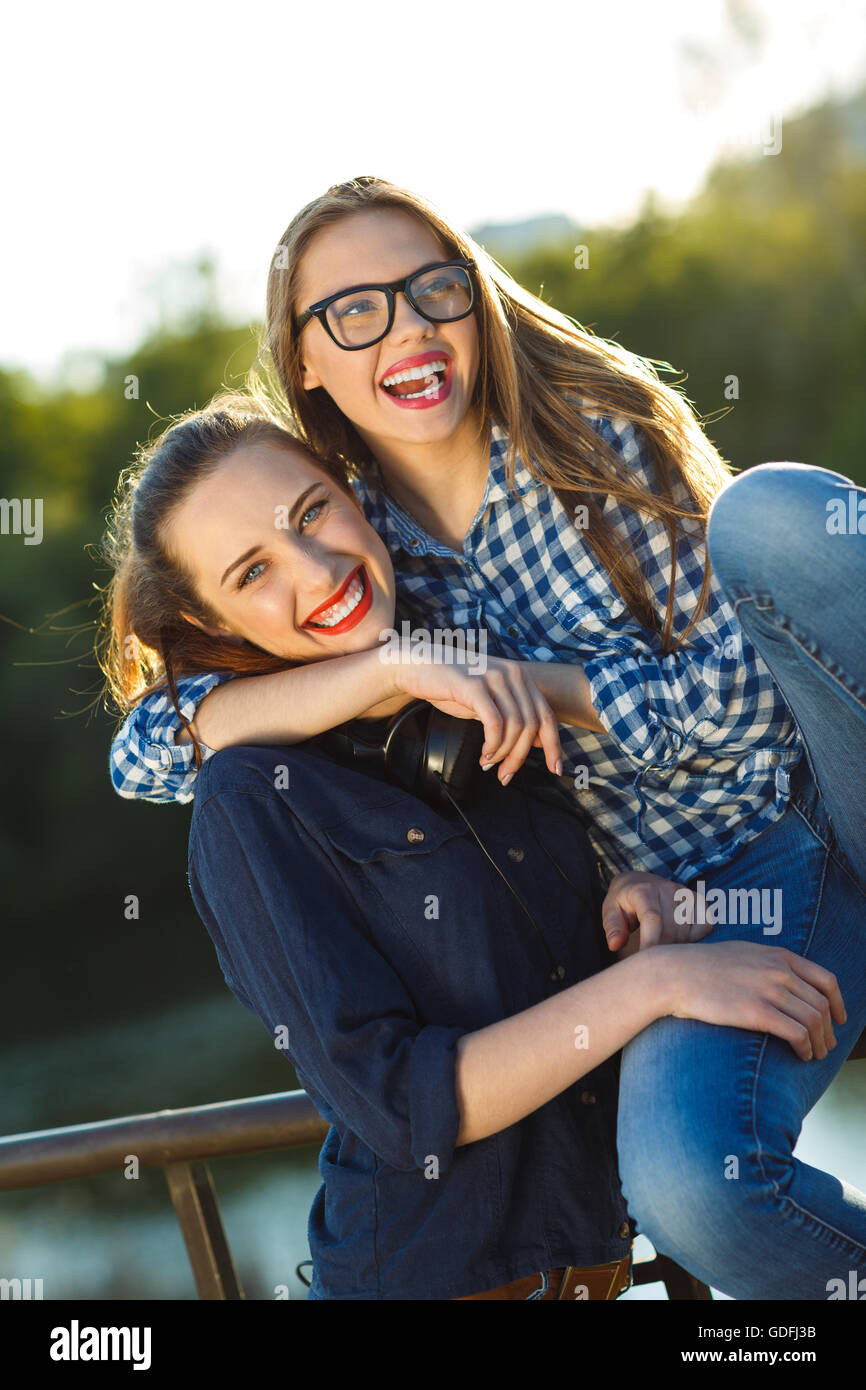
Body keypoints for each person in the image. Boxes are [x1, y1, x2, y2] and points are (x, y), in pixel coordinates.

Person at [105, 177, 866, 1297]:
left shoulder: (589, 442)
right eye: (354, 310)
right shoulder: (358, 559)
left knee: (777, 513)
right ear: (303, 359)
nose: (405, 325)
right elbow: (148, 752)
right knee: (689, 1186)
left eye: (430, 289)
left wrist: (523, 682)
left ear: (475, 298)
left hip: (794, 813)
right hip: (675, 916)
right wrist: (391, 666)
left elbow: (744, 700)